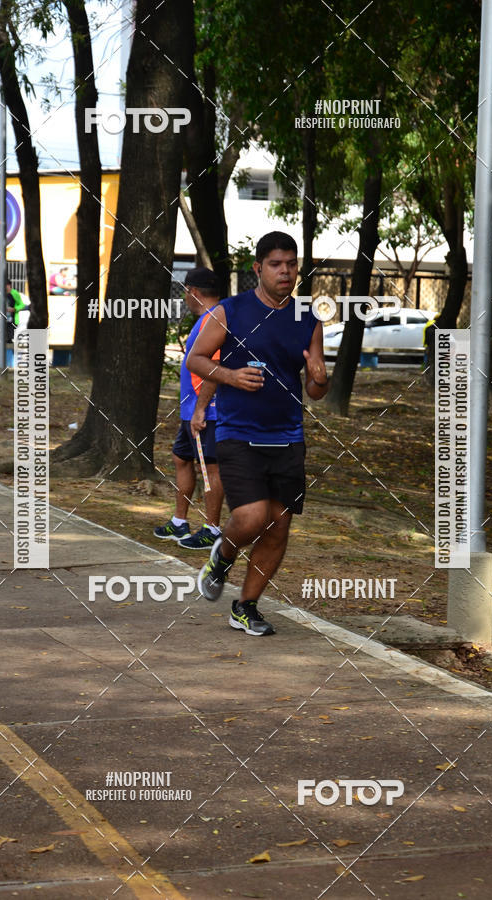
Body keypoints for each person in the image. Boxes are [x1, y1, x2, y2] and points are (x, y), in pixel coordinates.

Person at [187, 232, 329, 636]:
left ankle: (245, 606)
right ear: (258, 268)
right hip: (238, 432)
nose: (285, 271)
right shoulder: (229, 312)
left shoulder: (308, 318)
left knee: (279, 524)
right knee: (251, 516)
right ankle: (224, 552)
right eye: (275, 264)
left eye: (291, 264)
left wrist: (321, 379)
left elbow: (316, 390)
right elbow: (195, 358)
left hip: (287, 435)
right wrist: (230, 374)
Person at [153, 267, 225, 549]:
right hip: (191, 411)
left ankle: (213, 529)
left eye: (185, 292)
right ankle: (180, 523)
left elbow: (215, 368)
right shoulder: (205, 319)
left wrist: (201, 410)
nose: (185, 298)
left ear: (192, 292)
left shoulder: (215, 321)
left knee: (209, 469)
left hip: (207, 412)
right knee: (181, 458)